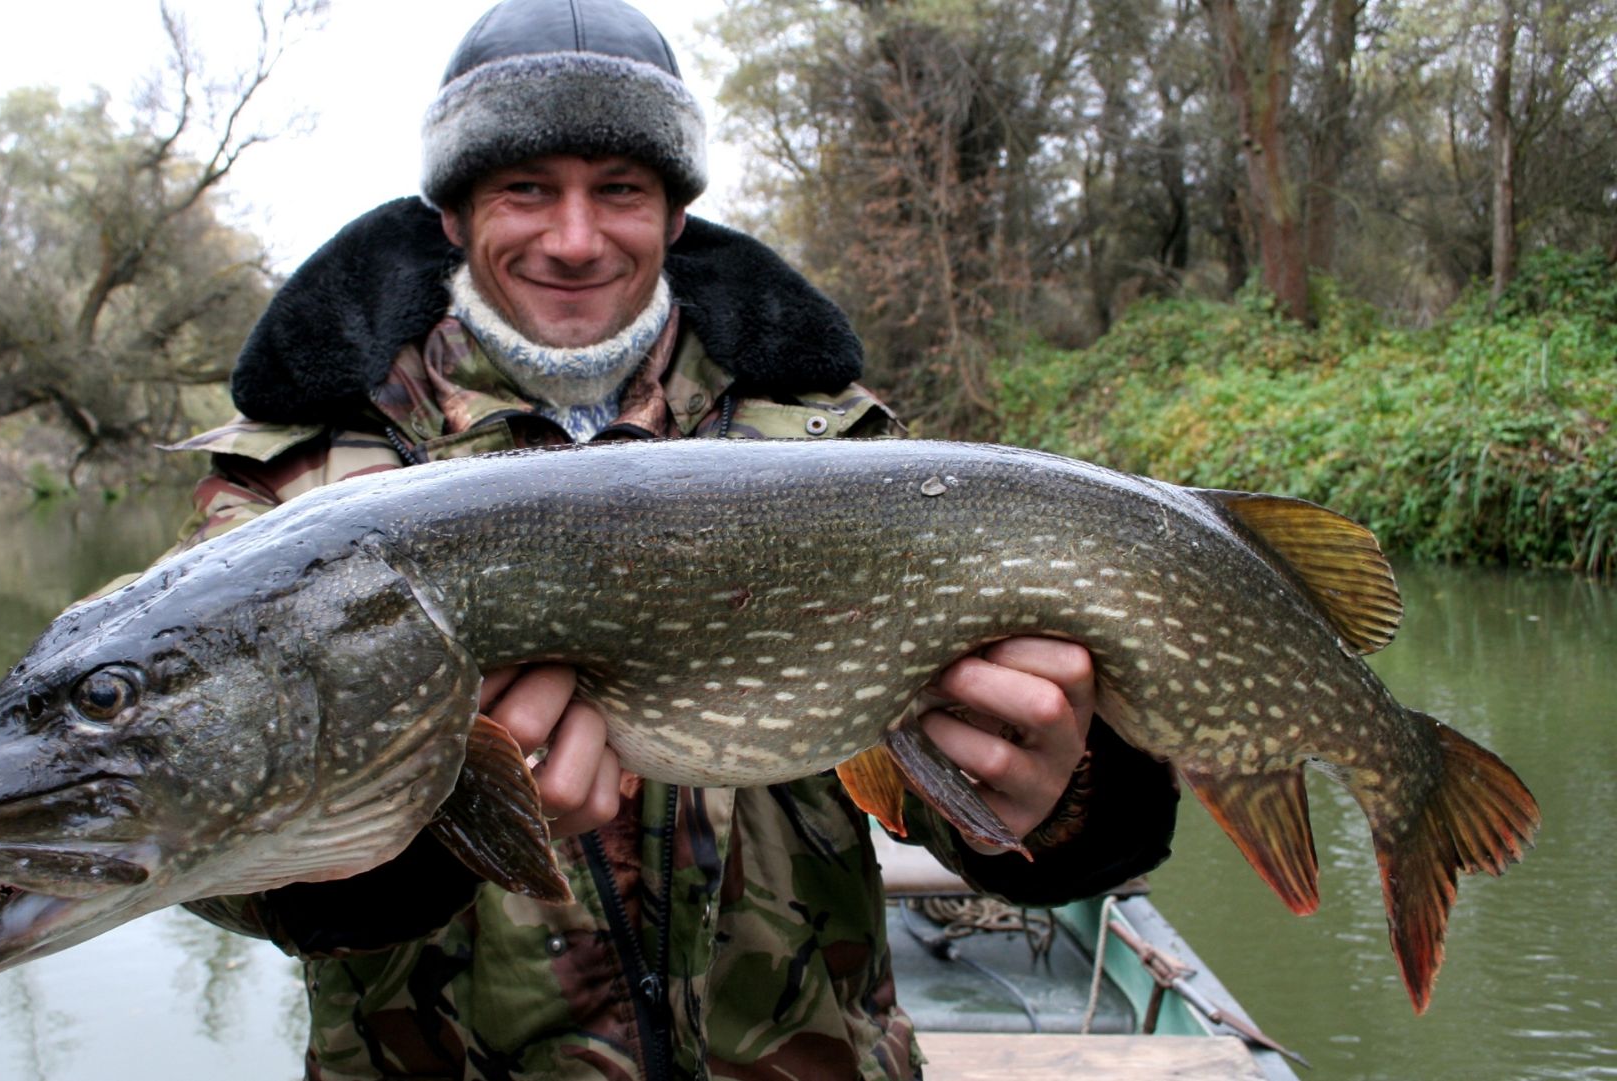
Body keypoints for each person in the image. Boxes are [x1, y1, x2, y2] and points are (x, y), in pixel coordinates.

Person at [172, 1, 1179, 1077]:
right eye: (525, 188)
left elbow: (969, 806)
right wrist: (428, 837)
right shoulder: (292, 483)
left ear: (676, 215)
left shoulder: (840, 445)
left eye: (620, 189)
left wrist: (1064, 796)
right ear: (453, 213)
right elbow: (196, 834)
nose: (573, 237)